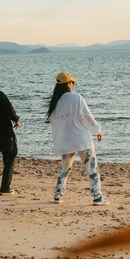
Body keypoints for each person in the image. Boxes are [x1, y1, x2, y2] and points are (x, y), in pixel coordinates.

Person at [46, 71, 108, 205]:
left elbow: (54, 122)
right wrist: (97, 129)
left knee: (65, 168)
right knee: (91, 167)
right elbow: (86, 116)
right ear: (68, 84)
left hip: (66, 141)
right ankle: (97, 196)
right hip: (81, 139)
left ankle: (58, 194)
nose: (72, 84)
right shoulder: (76, 98)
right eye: (72, 82)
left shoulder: (55, 103)